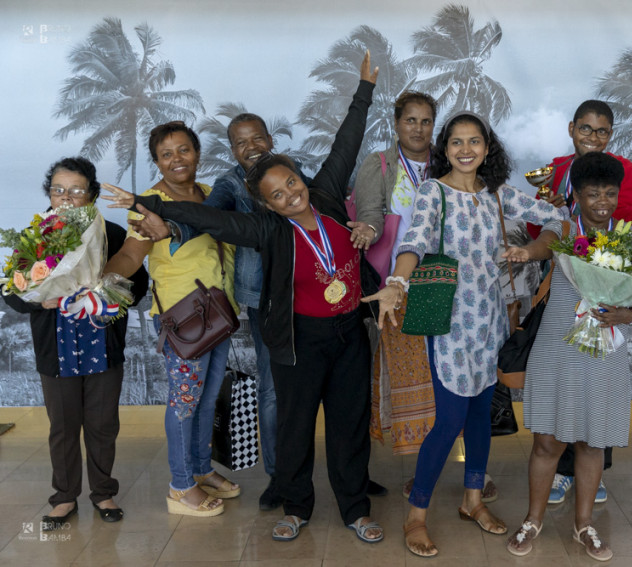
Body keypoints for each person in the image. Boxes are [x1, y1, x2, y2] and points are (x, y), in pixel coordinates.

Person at [104, 52, 384, 544]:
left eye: (292, 182)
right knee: (295, 428)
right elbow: (213, 220)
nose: (290, 195)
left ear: (300, 177)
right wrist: (146, 205)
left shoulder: (328, 198)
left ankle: (356, 510)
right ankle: (296, 507)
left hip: (349, 334)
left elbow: (347, 140)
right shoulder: (266, 229)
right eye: (277, 194)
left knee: (349, 425)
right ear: (266, 202)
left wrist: (364, 90)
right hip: (298, 337)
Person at [364, 110, 568, 557]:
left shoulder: (497, 195)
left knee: (480, 414)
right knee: (451, 418)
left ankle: (472, 500)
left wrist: (531, 251)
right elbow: (413, 242)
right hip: (449, 321)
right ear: (445, 149)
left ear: (487, 147)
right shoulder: (432, 192)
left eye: (474, 141)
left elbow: (558, 217)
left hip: (492, 317)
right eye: (456, 142)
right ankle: (416, 514)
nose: (465, 150)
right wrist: (397, 284)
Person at [529, 99, 632, 506]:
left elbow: (626, 212)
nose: (593, 138)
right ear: (571, 128)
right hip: (564, 291)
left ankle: (591, 477)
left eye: (601, 132)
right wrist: (536, 242)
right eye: (586, 129)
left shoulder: (624, 170)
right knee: (562, 393)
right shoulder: (557, 169)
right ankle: (562, 477)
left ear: (610, 135)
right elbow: (543, 228)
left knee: (596, 403)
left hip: (609, 262)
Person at [505, 152, 632, 561]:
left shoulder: (630, 240)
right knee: (547, 443)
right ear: (577, 194)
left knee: (592, 442)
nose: (601, 201)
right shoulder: (563, 227)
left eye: (609, 193)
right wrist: (527, 254)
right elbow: (544, 246)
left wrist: (627, 314)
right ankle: (532, 520)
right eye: (592, 193)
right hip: (557, 346)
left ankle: (583, 525)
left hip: (604, 350)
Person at [353, 91, 497, 501]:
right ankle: (422, 476)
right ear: (396, 123)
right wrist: (368, 232)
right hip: (400, 288)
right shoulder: (379, 165)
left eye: (426, 121)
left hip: (455, 294)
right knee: (418, 386)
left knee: (461, 389)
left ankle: (472, 475)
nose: (418, 128)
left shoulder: (451, 162)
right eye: (410, 120)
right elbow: (371, 216)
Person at [103, 121, 241, 517]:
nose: (177, 159)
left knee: (205, 397)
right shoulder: (148, 203)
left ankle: (199, 469)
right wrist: (98, 281)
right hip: (183, 320)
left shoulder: (214, 195)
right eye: (167, 154)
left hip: (220, 312)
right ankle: (180, 486)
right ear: (157, 162)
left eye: (184, 150)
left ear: (197, 152)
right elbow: (131, 255)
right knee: (184, 401)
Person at [2, 157, 148, 529]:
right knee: (63, 427)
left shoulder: (112, 234)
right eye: (58, 190)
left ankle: (103, 493)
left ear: (93, 195)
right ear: (49, 194)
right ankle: (64, 497)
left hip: (102, 343)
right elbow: (13, 291)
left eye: (76, 191)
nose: (66, 198)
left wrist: (104, 290)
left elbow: (140, 285)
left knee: (103, 425)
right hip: (56, 350)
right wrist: (41, 299)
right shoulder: (36, 237)